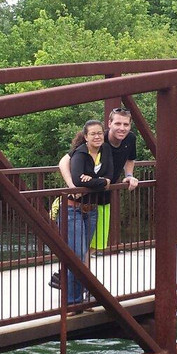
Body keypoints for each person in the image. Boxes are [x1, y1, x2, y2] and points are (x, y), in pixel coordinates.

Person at [57, 107, 139, 252]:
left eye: (126, 124)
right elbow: (64, 161)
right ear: (109, 124)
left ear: (130, 125)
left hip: (104, 198)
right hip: (85, 198)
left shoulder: (130, 139)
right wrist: (72, 186)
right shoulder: (100, 138)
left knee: (93, 247)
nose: (122, 128)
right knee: (80, 248)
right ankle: (76, 273)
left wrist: (129, 176)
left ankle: (81, 273)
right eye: (118, 124)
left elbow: (130, 159)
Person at [50, 119, 113, 308]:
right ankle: (72, 302)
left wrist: (95, 180)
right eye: (93, 134)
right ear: (85, 137)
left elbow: (109, 177)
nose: (97, 136)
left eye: (100, 133)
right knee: (76, 255)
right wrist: (100, 181)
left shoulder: (106, 150)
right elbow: (78, 180)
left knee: (83, 253)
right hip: (72, 209)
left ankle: (78, 294)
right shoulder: (80, 153)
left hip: (91, 210)